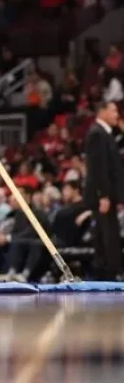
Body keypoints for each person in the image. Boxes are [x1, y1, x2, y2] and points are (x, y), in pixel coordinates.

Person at [84, 101, 123, 280]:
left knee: (102, 233)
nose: (117, 114)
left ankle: (104, 272)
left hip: (106, 195)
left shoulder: (105, 134)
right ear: (102, 112)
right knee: (107, 234)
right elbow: (98, 168)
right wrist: (104, 195)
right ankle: (111, 273)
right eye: (114, 110)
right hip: (103, 196)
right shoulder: (97, 134)